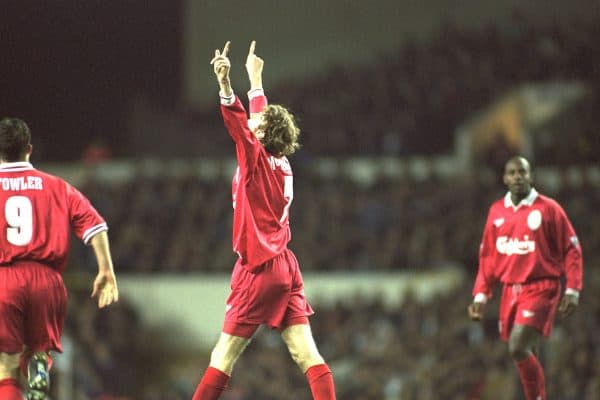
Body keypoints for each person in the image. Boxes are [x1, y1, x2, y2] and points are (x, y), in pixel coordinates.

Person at [191, 41, 336, 400]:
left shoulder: (254, 160)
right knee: (307, 354)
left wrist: (225, 85)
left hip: (257, 270)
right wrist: (255, 77)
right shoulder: (281, 162)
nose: (256, 117)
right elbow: (259, 116)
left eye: (258, 123)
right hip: (285, 265)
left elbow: (239, 123)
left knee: (222, 355)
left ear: (259, 135)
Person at [0, 118, 119, 400]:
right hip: (46, 280)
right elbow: (95, 225)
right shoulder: (56, 186)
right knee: (38, 355)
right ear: (28, 149)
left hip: (4, 279)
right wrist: (105, 270)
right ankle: (38, 391)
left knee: (6, 365)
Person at [468, 156, 582, 400]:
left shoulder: (549, 209)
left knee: (517, 347)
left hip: (541, 287)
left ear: (531, 176)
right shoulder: (496, 211)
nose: (518, 176)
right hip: (510, 290)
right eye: (512, 172)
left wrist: (573, 289)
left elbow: (571, 248)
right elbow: (488, 256)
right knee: (528, 350)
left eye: (523, 172)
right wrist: (480, 294)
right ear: (505, 178)